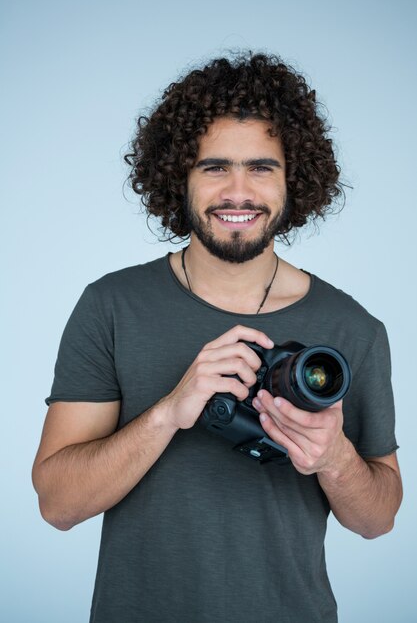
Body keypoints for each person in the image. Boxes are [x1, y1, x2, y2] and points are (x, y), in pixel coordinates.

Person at [32, 53, 402, 623]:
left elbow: (378, 520)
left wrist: (334, 458)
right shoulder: (111, 306)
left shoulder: (352, 329)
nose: (238, 191)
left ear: (293, 180)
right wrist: (169, 413)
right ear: (177, 177)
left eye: (261, 167)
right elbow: (57, 505)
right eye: (213, 167)